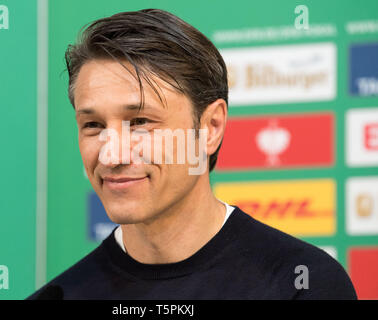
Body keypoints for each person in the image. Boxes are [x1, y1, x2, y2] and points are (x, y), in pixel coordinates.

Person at [28, 8, 357, 300]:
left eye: (140, 122)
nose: (112, 155)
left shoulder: (303, 285)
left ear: (211, 127)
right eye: (93, 125)